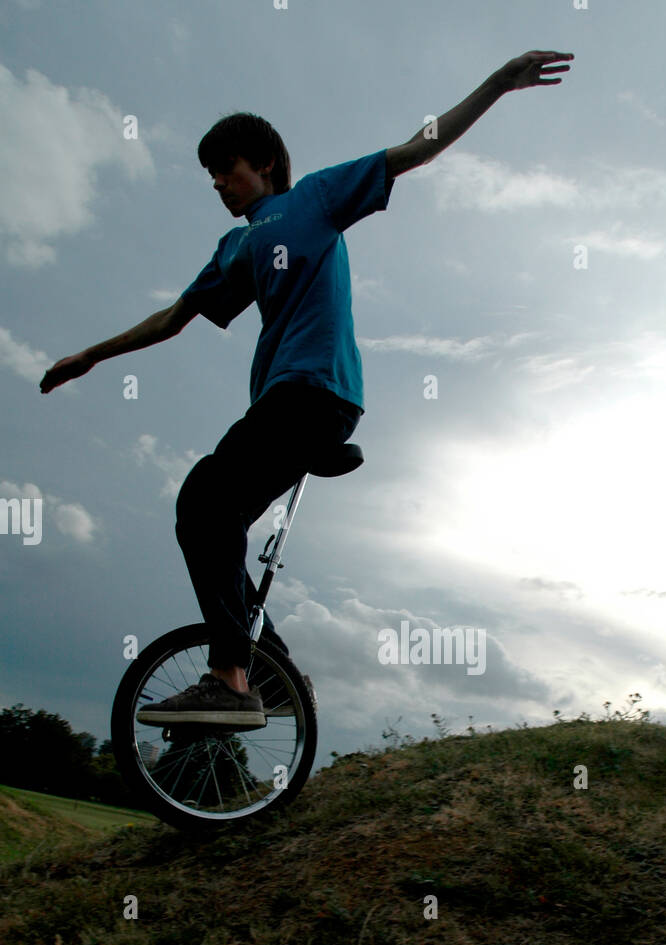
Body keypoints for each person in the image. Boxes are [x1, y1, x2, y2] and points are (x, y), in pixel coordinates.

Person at [39, 51, 573, 725]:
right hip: (281, 403)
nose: (219, 186)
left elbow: (417, 149)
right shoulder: (235, 248)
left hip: (316, 392)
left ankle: (231, 678)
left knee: (205, 495)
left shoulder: (315, 198)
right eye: (210, 178)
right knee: (211, 521)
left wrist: (497, 84)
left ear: (262, 162)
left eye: (226, 170)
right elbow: (173, 318)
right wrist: (92, 354)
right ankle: (276, 675)